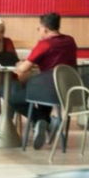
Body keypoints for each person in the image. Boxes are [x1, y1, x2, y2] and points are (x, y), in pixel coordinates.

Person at [13, 12, 81, 148]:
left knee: (13, 96)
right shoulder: (70, 40)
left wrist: (19, 65)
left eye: (38, 28)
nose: (39, 31)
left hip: (47, 90)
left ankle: (43, 121)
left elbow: (23, 69)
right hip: (69, 90)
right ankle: (46, 122)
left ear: (45, 28)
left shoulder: (44, 44)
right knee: (45, 87)